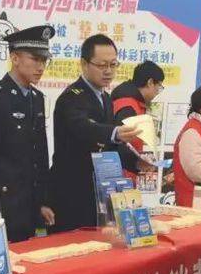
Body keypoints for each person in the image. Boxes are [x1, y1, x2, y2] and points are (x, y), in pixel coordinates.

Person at [48, 34, 144, 232]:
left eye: (113, 65)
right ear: (84, 64)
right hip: (73, 192)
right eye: (101, 65)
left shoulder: (106, 98)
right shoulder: (71, 97)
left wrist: (137, 162)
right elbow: (83, 128)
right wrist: (115, 131)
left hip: (100, 191)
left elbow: (110, 146)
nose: (108, 71)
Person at [0, 24, 55, 243]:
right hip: (3, 204)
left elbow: (40, 154)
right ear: (15, 58)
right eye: (35, 59)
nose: (40, 67)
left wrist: (43, 201)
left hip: (30, 206)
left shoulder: (37, 98)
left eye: (44, 60)